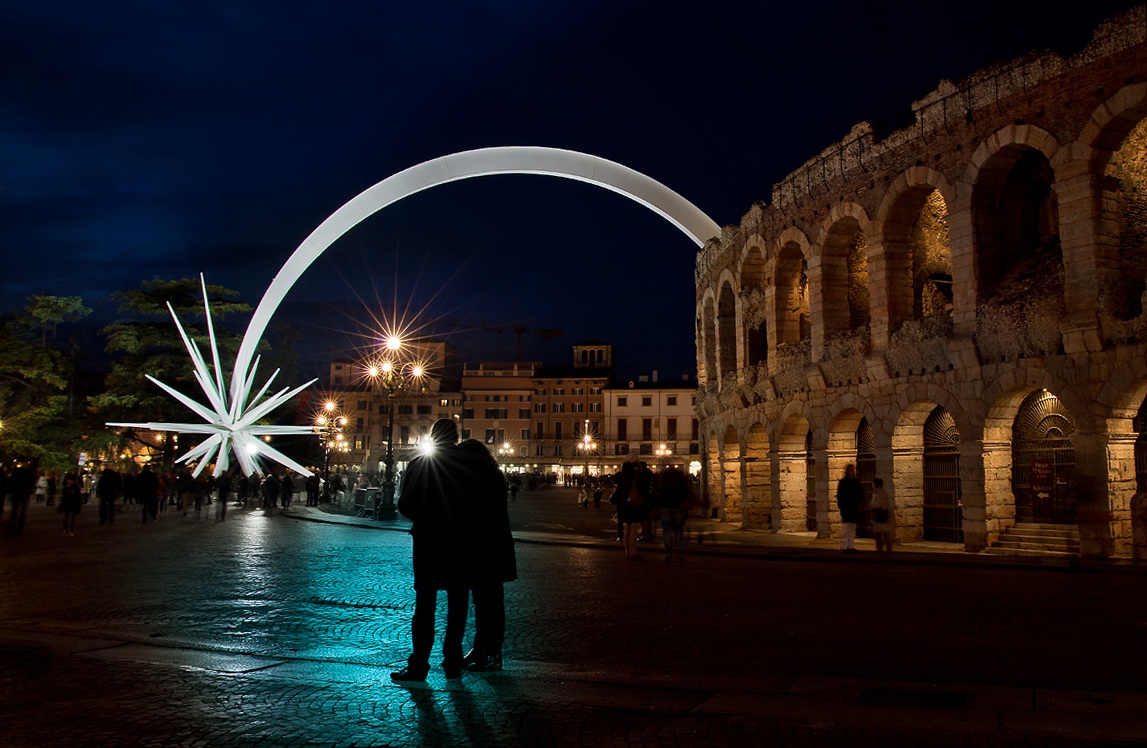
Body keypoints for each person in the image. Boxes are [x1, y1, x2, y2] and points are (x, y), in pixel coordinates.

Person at [391, 419, 475, 682]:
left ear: (433, 436)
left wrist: (425, 517)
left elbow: (405, 504)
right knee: (458, 604)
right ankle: (452, 661)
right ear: (456, 436)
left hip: (428, 541)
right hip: (461, 542)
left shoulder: (420, 464)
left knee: (425, 605)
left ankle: (419, 664)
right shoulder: (470, 465)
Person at [458, 439, 516, 673]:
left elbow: (484, 516)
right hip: (490, 547)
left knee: (490, 604)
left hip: (489, 549)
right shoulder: (490, 475)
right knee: (484, 603)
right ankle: (481, 648)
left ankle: (491, 653)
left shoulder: (486, 479)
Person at [610, 459, 652, 560]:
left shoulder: (623, 476)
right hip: (634, 504)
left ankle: (627, 552)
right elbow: (644, 487)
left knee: (627, 529)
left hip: (624, 504)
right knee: (633, 528)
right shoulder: (637, 475)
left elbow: (616, 482)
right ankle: (633, 552)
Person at [656, 466, 695, 562]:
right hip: (678, 507)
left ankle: (668, 554)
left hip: (665, 507)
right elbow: (685, 492)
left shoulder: (663, 482)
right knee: (679, 530)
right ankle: (681, 552)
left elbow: (659, 494)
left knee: (666, 531)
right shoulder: (681, 482)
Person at [836, 463, 864, 553]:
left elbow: (860, 494)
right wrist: (841, 506)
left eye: (853, 470)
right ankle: (843, 546)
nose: (853, 472)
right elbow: (840, 495)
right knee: (846, 526)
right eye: (851, 470)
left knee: (852, 527)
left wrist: (861, 504)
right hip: (847, 507)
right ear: (847, 471)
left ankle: (850, 546)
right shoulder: (843, 482)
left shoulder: (856, 482)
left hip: (854, 507)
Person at [8, 462, 36, 534]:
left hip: (16, 493)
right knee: (22, 510)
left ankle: (13, 524)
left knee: (15, 509)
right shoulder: (28, 473)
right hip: (24, 493)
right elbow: (30, 483)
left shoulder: (16, 473)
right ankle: (20, 526)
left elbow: (11, 482)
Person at [870, 477, 894, 552]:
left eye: (873, 484)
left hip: (880, 514)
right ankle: (883, 548)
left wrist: (872, 506)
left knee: (881, 532)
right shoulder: (878, 492)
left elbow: (879, 504)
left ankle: (883, 548)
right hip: (880, 514)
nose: (872, 485)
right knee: (881, 532)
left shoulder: (879, 493)